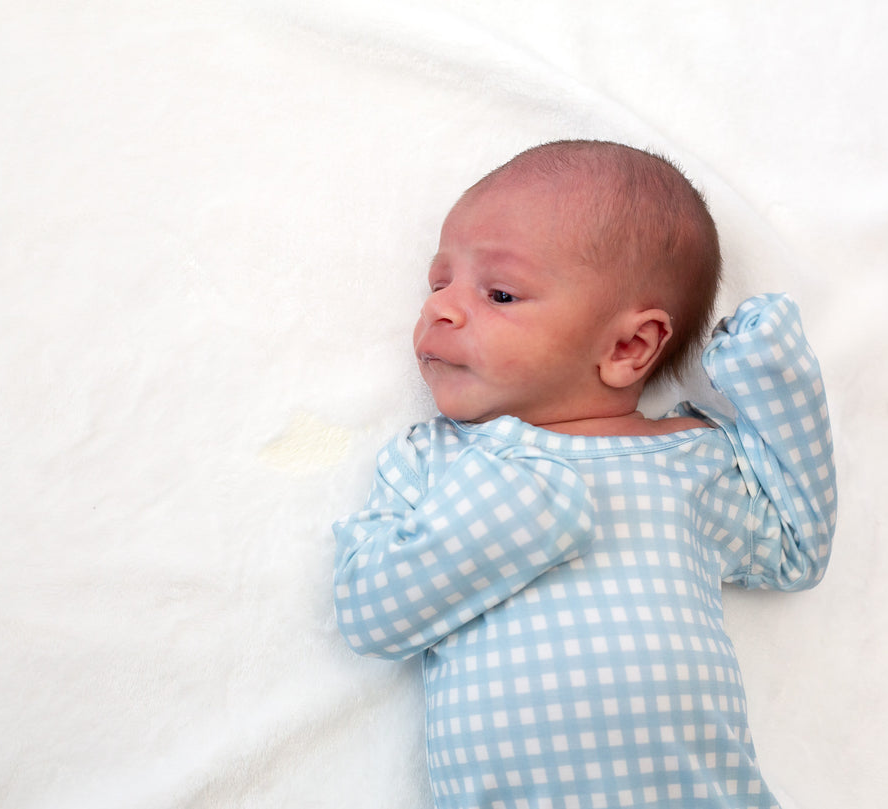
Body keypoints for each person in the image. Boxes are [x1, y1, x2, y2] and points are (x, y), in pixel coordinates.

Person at [333, 140, 836, 808]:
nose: (442, 310)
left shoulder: (686, 460)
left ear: (628, 346)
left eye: (500, 292)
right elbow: (371, 615)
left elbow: (798, 546)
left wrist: (773, 376)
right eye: (438, 283)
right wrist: (499, 519)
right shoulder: (434, 462)